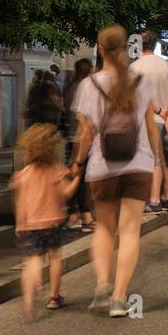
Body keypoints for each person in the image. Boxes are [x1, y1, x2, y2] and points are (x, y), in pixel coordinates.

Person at [71, 25, 165, 317]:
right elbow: (151, 127)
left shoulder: (90, 85)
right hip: (137, 164)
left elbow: (86, 133)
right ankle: (119, 299)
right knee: (129, 232)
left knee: (104, 228)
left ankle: (102, 283)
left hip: (102, 165)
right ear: (126, 48)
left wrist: (77, 162)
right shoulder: (141, 81)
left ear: (100, 49)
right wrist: (157, 159)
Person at [11, 123, 80, 318]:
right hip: (53, 223)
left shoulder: (24, 174)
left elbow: (21, 202)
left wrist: (20, 224)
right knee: (55, 258)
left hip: (30, 224)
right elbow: (66, 193)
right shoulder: (56, 170)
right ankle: (53, 297)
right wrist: (76, 179)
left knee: (32, 260)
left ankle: (28, 301)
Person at [129, 31, 168, 212]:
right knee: (162, 161)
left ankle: (153, 200)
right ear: (155, 44)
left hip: (143, 120)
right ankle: (159, 198)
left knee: (149, 162)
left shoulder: (135, 67)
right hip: (161, 121)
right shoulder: (166, 66)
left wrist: (159, 110)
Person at [63, 58, 95, 232]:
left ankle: (74, 215)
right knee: (81, 178)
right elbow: (83, 119)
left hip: (72, 136)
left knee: (77, 176)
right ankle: (84, 218)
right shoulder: (85, 87)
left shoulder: (70, 86)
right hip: (81, 138)